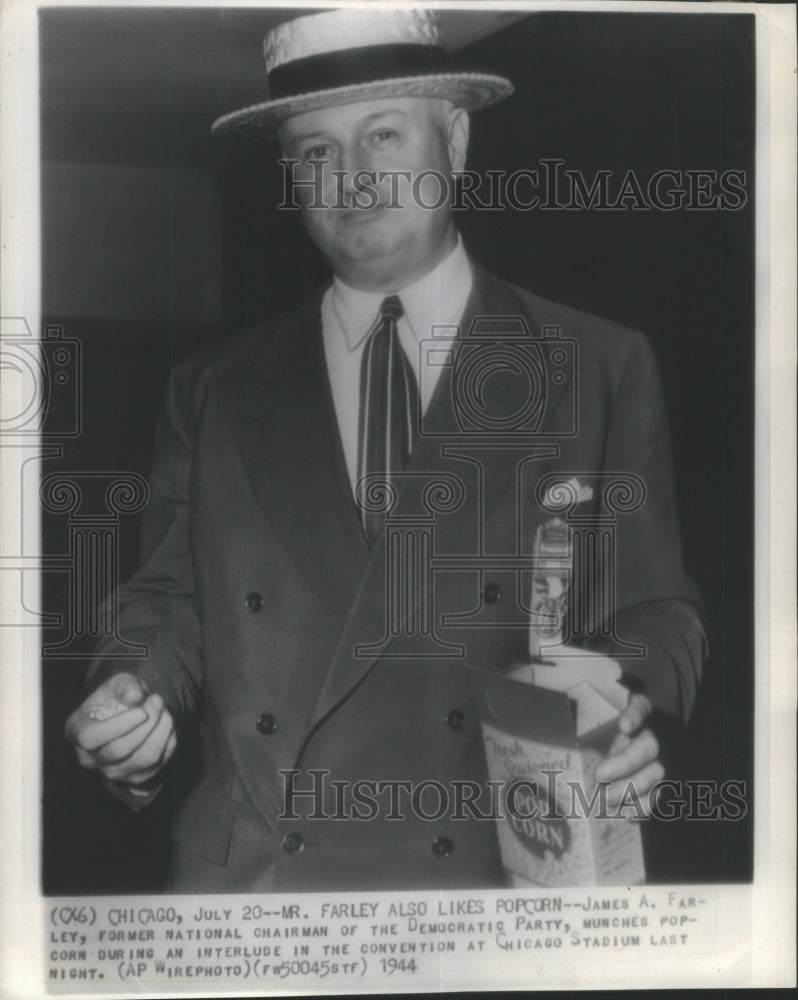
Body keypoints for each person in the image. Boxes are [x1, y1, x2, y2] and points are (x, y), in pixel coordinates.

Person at [65, 8, 706, 893]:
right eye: (314, 152)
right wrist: (128, 693)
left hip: (494, 883)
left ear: (455, 139)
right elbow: (166, 605)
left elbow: (659, 613)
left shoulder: (600, 363)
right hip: (258, 895)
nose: (351, 179)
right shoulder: (209, 389)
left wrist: (627, 708)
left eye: (382, 135)